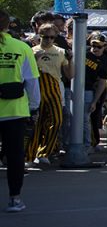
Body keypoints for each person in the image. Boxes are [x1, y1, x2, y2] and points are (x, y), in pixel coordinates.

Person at [1, 7, 40, 213]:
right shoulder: (21, 47)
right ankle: (15, 198)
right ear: (8, 26)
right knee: (15, 156)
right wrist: (34, 106)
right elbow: (32, 81)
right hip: (15, 110)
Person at [25, 22, 72, 166]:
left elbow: (70, 75)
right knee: (36, 122)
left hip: (54, 88)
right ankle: (30, 155)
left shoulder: (60, 52)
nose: (49, 40)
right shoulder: (31, 51)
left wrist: (71, 60)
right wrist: (34, 59)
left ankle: (44, 151)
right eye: (46, 37)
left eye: (52, 37)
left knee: (56, 121)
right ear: (40, 36)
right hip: (36, 87)